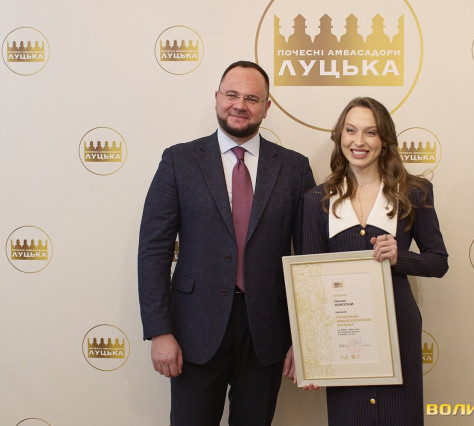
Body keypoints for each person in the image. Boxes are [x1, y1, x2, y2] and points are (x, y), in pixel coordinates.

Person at [138, 60, 315, 425]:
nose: (240, 104)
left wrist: (306, 339)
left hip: (267, 331)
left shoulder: (295, 168)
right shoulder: (179, 161)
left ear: (267, 107)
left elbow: (308, 259)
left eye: (252, 98)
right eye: (232, 94)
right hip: (193, 330)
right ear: (217, 98)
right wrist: (159, 330)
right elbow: (154, 251)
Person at [295, 97, 448, 425]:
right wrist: (312, 355)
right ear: (340, 136)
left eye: (371, 132)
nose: (359, 141)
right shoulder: (317, 200)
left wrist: (400, 257)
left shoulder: (414, 192)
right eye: (351, 130)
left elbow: (438, 262)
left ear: (384, 140)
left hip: (399, 327)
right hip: (342, 331)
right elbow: (309, 285)